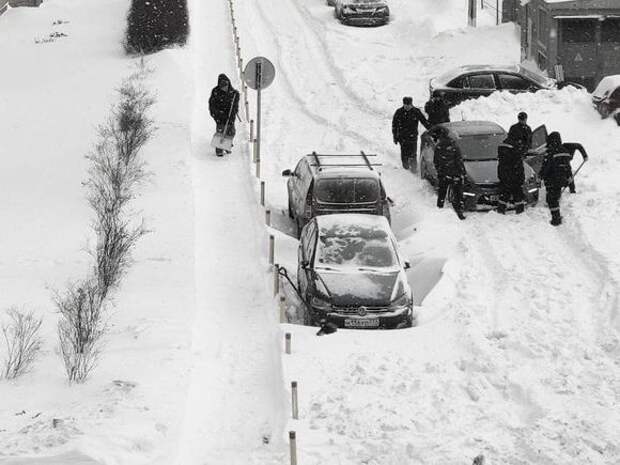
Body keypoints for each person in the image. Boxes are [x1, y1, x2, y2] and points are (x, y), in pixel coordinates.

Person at [540, 132, 573, 226]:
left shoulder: (551, 151)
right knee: (555, 196)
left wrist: (541, 175)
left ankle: (556, 219)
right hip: (561, 179)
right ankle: (556, 215)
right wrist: (569, 177)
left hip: (552, 179)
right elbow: (568, 166)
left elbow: (546, 166)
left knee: (551, 199)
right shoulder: (565, 151)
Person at [433, 127, 466, 220]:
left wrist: (440, 171)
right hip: (455, 174)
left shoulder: (439, 147)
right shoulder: (454, 146)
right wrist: (462, 173)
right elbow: (459, 161)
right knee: (457, 194)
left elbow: (436, 161)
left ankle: (439, 210)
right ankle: (459, 212)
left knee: (442, 193)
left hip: (444, 175)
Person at [392, 96, 430, 171]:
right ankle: (405, 169)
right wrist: (395, 137)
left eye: (408, 105)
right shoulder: (399, 112)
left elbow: (424, 121)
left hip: (413, 137)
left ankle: (413, 168)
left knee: (413, 153)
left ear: (411, 104)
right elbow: (394, 125)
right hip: (402, 137)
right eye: (405, 105)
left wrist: (430, 128)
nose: (407, 107)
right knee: (404, 153)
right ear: (403, 104)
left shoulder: (416, 111)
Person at [208, 73, 240, 156]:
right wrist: (218, 115)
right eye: (222, 86)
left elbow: (235, 106)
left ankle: (226, 146)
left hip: (230, 117)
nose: (225, 88)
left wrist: (233, 114)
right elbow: (212, 106)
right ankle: (219, 150)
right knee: (221, 132)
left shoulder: (233, 93)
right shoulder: (215, 92)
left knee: (231, 132)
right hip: (220, 117)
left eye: (226, 85)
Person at [496, 135, 526, 214]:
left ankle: (500, 211)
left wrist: (502, 176)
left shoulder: (502, 146)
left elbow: (501, 163)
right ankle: (520, 212)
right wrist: (521, 178)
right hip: (514, 176)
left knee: (504, 194)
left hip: (504, 175)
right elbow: (518, 165)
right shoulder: (516, 147)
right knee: (518, 195)